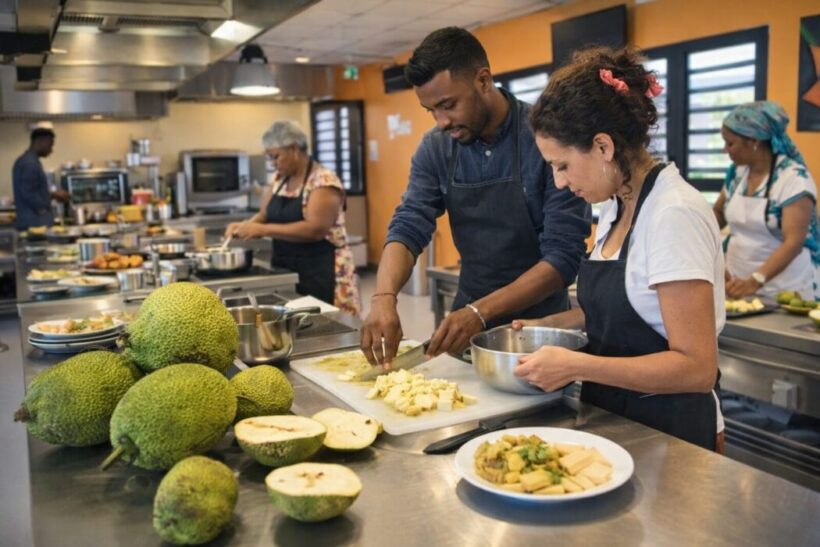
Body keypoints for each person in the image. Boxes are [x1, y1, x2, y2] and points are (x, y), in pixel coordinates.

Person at [513, 47, 726, 451]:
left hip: (673, 436)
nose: (559, 183)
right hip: (619, 420)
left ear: (603, 147)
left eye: (562, 166)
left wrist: (575, 364)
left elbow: (697, 368)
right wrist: (556, 325)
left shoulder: (672, 214)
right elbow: (634, 308)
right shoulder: (617, 203)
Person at [360, 27, 590, 366]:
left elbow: (563, 258)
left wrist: (480, 312)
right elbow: (409, 225)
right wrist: (383, 298)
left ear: (483, 80)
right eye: (431, 111)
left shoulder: (545, 139)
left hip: (537, 326)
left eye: (448, 105)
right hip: (467, 312)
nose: (441, 122)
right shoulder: (436, 148)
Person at [224, 121, 361, 316]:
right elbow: (264, 214)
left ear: (295, 149)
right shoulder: (280, 179)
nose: (273, 164)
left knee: (326, 327)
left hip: (322, 270)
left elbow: (315, 229)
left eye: (276, 157)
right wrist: (245, 226)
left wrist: (263, 230)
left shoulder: (324, 181)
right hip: (287, 267)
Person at [713, 101, 819, 301]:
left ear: (754, 141)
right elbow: (718, 214)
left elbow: (794, 242)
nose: (725, 150)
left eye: (730, 143)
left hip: (786, 291)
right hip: (737, 286)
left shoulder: (793, 179)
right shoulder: (737, 174)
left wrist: (755, 281)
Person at [12, 128, 69, 231]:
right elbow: (28, 193)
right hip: (35, 224)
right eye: (50, 145)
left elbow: (32, 189)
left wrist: (53, 195)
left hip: (32, 222)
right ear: (40, 141)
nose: (51, 150)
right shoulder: (30, 163)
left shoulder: (28, 161)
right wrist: (42, 210)